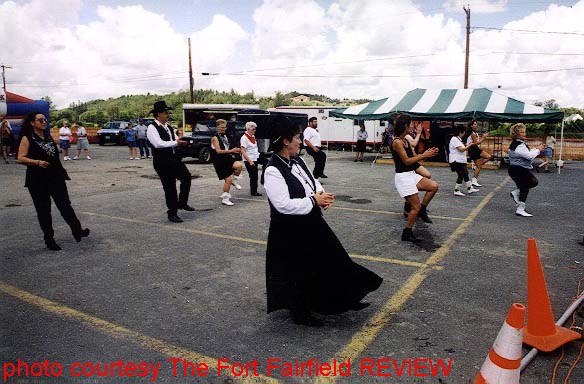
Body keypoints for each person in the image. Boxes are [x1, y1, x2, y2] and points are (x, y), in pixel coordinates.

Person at [264, 116, 382, 326]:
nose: (301, 141)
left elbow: (313, 181)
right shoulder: (273, 170)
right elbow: (282, 205)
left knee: (335, 259)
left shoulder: (298, 160)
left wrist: (322, 195)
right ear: (285, 141)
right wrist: (313, 200)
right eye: (298, 138)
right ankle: (301, 313)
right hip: (290, 231)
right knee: (300, 271)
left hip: (311, 222)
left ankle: (347, 298)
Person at [16, 112, 90, 250]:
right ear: (32, 123)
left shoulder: (48, 137)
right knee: (44, 210)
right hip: (37, 179)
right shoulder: (27, 138)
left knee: (65, 205)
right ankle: (49, 239)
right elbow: (20, 158)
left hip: (55, 176)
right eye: (40, 120)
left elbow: (54, 156)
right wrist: (37, 162)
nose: (44, 122)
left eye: (45, 120)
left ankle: (77, 230)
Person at [391, 115, 439, 242]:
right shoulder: (397, 142)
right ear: (405, 126)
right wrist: (424, 155)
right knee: (415, 208)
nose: (412, 127)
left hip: (411, 174)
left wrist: (428, 154)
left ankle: (422, 209)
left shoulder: (406, 141)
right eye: (411, 124)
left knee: (434, 186)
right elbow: (406, 161)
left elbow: (414, 158)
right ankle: (407, 232)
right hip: (403, 177)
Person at [146, 100, 194, 223]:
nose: (167, 114)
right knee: (170, 187)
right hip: (162, 161)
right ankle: (172, 212)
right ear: (158, 114)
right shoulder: (152, 127)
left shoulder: (168, 127)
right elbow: (158, 144)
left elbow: (175, 138)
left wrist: (182, 141)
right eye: (165, 112)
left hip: (173, 159)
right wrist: (176, 142)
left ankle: (182, 203)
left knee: (186, 177)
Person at [508, 123, 544, 217]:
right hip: (518, 169)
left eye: (524, 132)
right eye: (522, 132)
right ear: (517, 134)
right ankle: (520, 208)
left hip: (517, 169)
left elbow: (526, 154)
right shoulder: (519, 145)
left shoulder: (519, 143)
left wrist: (536, 149)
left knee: (531, 183)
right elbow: (529, 156)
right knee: (526, 186)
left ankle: (516, 194)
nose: (524, 134)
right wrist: (538, 150)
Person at [402, 120, 432, 218]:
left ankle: (413, 203)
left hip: (413, 160)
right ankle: (409, 204)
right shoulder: (405, 135)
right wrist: (419, 133)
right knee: (424, 177)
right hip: (408, 162)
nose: (412, 126)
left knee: (427, 175)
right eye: (410, 124)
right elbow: (414, 144)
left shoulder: (409, 134)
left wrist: (422, 155)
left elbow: (412, 149)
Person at [211, 119, 243, 206]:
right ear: (217, 127)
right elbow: (218, 151)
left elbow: (229, 146)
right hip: (219, 161)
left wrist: (236, 150)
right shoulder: (215, 138)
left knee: (239, 166)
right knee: (228, 180)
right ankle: (225, 199)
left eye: (225, 127)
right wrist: (231, 150)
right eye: (221, 127)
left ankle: (235, 181)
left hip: (227, 158)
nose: (224, 129)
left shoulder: (225, 136)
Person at [449, 126, 480, 196]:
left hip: (460, 160)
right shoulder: (454, 139)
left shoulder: (458, 139)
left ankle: (469, 188)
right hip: (455, 160)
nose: (464, 134)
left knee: (465, 173)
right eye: (464, 132)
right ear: (461, 132)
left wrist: (468, 145)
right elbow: (461, 149)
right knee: (461, 174)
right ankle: (456, 190)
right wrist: (470, 145)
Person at [465, 120, 491, 187]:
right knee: (479, 166)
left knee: (488, 157)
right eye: (475, 124)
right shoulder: (472, 133)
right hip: (473, 149)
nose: (476, 125)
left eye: (476, 124)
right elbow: (477, 142)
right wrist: (484, 137)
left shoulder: (474, 132)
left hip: (475, 149)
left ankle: (476, 168)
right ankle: (474, 180)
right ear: (471, 125)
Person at [240, 121, 262, 196]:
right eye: (253, 129)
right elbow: (243, 151)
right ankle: (253, 191)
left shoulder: (253, 136)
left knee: (267, 162)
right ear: (248, 129)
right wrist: (250, 161)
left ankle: (263, 179)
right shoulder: (244, 138)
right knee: (253, 175)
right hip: (249, 158)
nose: (254, 131)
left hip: (256, 156)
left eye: (255, 129)